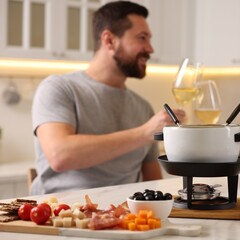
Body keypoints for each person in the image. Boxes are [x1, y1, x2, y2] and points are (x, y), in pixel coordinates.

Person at [30, 1, 185, 194]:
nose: (150, 48)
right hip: (60, 216)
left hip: (126, 219)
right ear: (109, 40)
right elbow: (60, 155)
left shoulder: (143, 108)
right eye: (142, 38)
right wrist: (144, 133)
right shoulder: (59, 88)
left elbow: (153, 187)